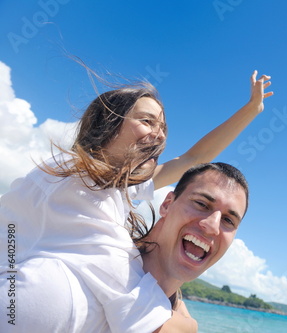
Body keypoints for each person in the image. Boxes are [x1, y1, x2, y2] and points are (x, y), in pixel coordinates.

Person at [0, 71, 271, 332]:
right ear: (108, 123)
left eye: (163, 127)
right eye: (147, 121)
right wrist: (186, 318)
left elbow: (191, 160)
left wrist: (251, 110)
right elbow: (148, 315)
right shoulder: (76, 180)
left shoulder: (114, 188)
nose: (161, 135)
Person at [136, 162, 250, 333]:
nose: (213, 226)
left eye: (228, 220)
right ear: (167, 204)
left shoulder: (175, 310)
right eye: (202, 204)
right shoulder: (110, 255)